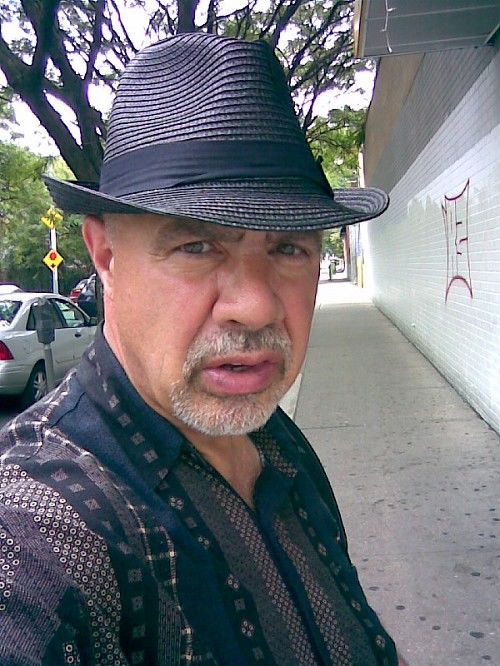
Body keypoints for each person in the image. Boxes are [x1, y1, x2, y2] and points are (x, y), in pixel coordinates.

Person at [0, 33, 405, 665]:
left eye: (288, 247)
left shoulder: (277, 444)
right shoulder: (39, 524)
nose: (258, 305)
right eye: (197, 246)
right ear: (105, 255)